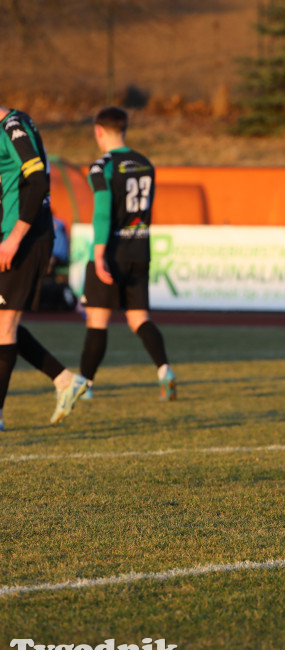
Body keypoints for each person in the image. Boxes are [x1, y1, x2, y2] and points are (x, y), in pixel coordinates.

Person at [79, 106, 176, 401]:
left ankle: (85, 386)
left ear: (98, 131)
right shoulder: (146, 163)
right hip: (140, 249)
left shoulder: (102, 166)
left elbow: (103, 213)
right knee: (138, 319)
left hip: (113, 251)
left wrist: (98, 255)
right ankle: (165, 371)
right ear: (124, 128)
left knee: (97, 320)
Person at [0, 106, 89, 431]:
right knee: (3, 324)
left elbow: (38, 182)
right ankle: (65, 379)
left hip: (24, 237)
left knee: (5, 326)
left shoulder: (13, 126)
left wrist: (14, 238)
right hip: (14, 236)